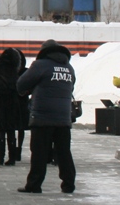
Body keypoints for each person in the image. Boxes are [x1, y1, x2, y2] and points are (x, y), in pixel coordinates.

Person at [17, 39, 77, 195]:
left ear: (44, 51)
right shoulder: (69, 68)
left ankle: (34, 185)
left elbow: (21, 84)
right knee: (64, 152)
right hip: (63, 117)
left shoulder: (40, 65)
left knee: (39, 153)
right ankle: (69, 184)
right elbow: (70, 88)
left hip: (42, 116)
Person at [0, 48, 25, 165]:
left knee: (1, 131)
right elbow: (19, 87)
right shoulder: (14, 70)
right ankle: (12, 158)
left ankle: (0, 158)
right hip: (12, 103)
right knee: (11, 131)